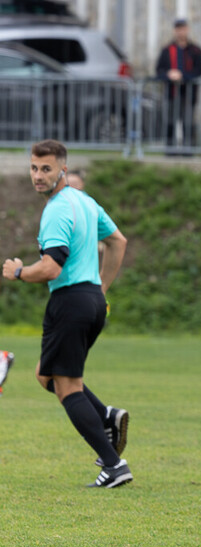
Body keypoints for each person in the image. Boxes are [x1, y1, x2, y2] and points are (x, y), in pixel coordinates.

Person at [0, 140, 131, 488]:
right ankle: (106, 415)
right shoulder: (84, 202)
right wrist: (100, 289)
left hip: (70, 302)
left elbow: (51, 268)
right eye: (33, 168)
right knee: (47, 375)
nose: (38, 175)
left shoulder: (57, 209)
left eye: (46, 169)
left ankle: (114, 465)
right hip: (90, 301)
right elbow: (119, 241)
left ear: (63, 170)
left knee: (66, 387)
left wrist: (18, 272)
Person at [155, 18, 201, 152]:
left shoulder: (195, 51)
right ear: (174, 31)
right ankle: (170, 152)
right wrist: (169, 75)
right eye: (178, 29)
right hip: (171, 93)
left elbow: (199, 71)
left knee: (188, 124)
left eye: (182, 29)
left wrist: (182, 76)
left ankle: (188, 152)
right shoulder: (167, 50)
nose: (180, 32)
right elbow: (159, 70)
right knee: (170, 123)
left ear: (187, 30)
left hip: (189, 95)